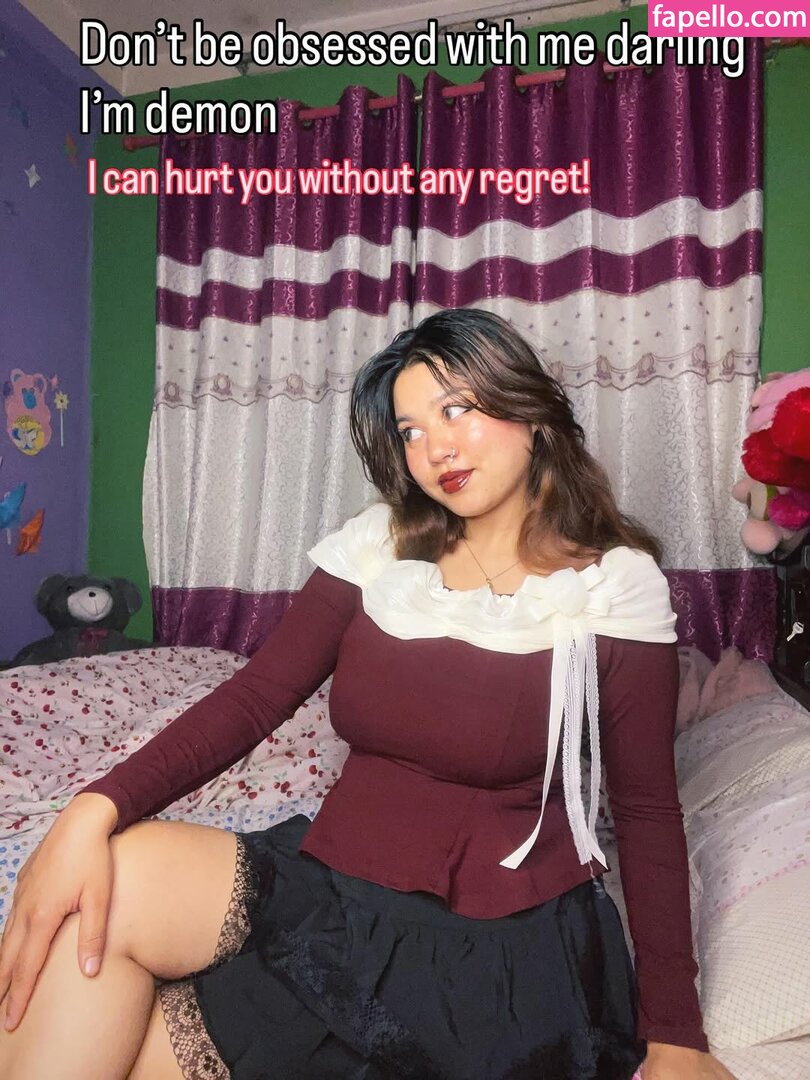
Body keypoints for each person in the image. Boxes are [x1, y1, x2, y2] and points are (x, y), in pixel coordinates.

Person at [0, 309, 736, 1080]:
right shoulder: (381, 544)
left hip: (490, 954)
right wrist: (92, 808)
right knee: (101, 882)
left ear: (530, 409)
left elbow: (647, 811)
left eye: (457, 410)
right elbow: (256, 695)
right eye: (410, 430)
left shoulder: (612, 586)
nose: (434, 449)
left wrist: (675, 1034)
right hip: (332, 889)